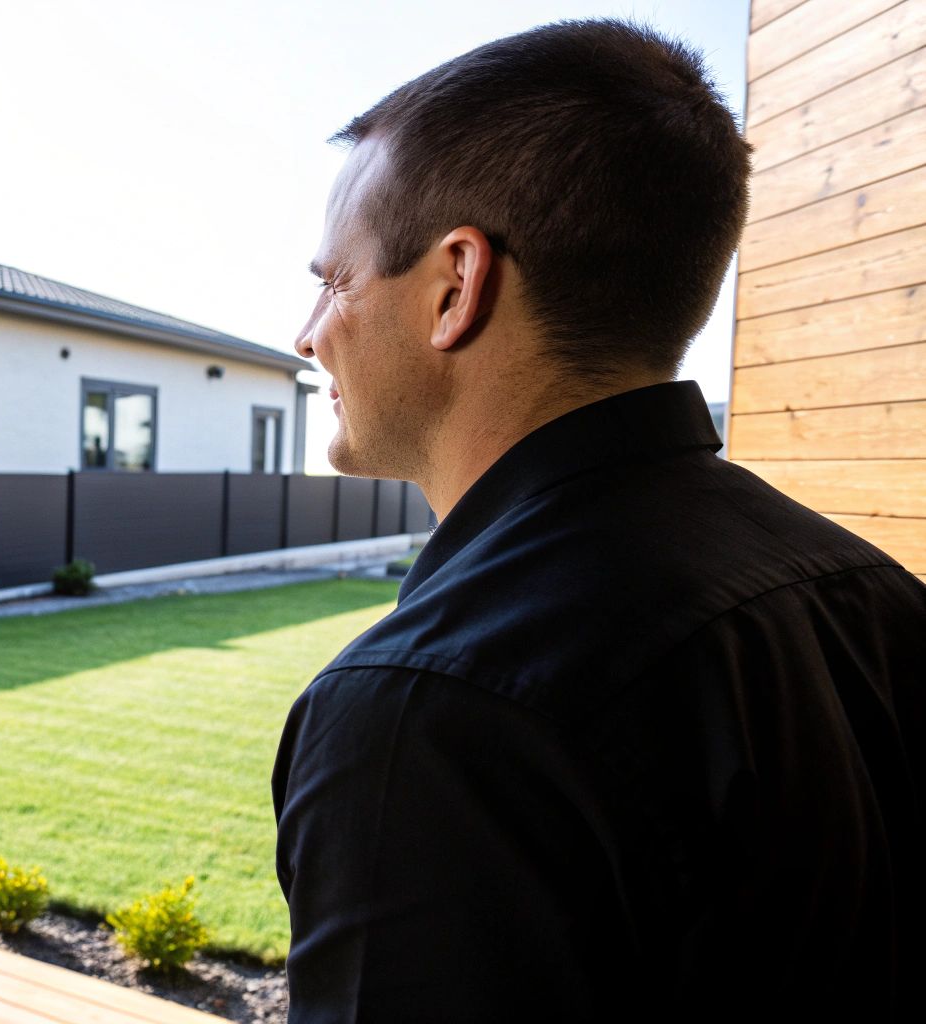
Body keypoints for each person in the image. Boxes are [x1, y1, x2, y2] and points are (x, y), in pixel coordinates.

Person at [271, 17, 924, 1023]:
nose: (307, 336)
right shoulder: (872, 597)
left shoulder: (428, 717)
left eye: (332, 280)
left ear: (454, 285)